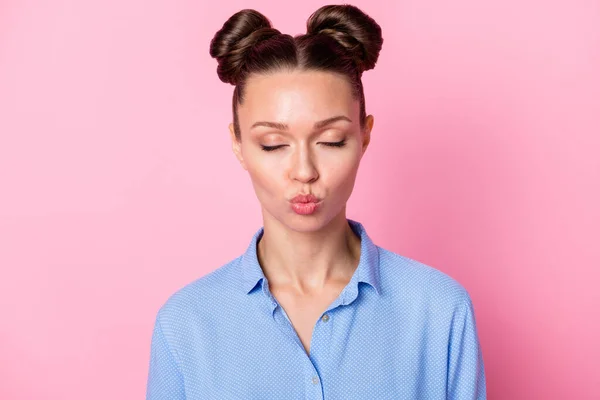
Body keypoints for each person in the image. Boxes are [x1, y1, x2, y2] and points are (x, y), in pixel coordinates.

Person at [146, 4, 486, 399]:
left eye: (331, 141)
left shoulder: (439, 311)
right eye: (273, 145)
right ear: (238, 145)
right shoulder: (187, 324)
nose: (304, 171)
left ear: (364, 136)